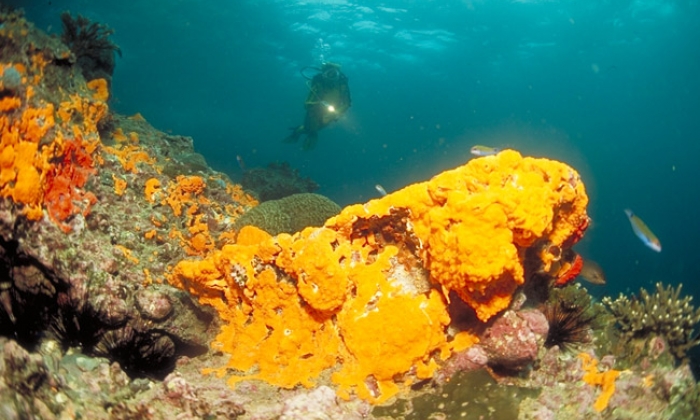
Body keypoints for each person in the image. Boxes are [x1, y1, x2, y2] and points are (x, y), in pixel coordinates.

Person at [284, 62, 351, 150]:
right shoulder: (319, 84)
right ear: (324, 75)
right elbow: (307, 104)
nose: (332, 77)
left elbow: (347, 104)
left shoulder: (342, 85)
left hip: (331, 113)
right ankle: (306, 136)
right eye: (329, 73)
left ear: (338, 74)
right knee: (311, 129)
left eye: (334, 74)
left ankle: (297, 132)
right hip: (315, 113)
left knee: (311, 129)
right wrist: (318, 106)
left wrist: (335, 113)